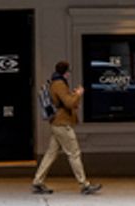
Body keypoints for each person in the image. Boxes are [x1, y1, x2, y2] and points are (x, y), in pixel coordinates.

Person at [32, 60, 102, 195]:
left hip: (56, 123)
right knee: (74, 153)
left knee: (51, 154)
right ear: (65, 72)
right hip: (62, 124)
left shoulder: (55, 82)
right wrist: (78, 94)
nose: (69, 74)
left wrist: (73, 95)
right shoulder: (59, 84)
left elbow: (65, 101)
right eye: (69, 71)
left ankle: (38, 181)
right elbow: (69, 103)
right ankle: (84, 184)